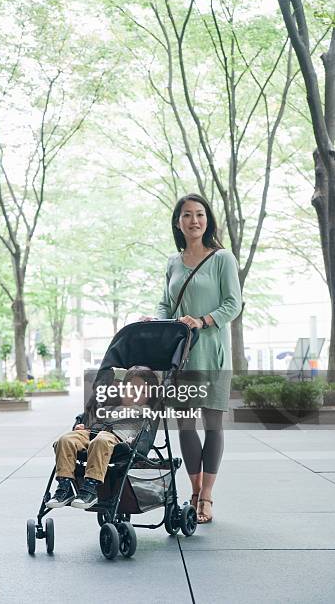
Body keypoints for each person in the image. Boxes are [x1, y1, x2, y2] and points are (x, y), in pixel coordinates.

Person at [155, 193, 242, 523]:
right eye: (187, 215)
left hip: (212, 354)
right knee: (186, 425)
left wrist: (202, 320)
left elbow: (234, 304)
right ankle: (193, 491)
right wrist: (157, 321)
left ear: (208, 220)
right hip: (182, 358)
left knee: (213, 425)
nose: (194, 220)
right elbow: (166, 304)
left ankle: (207, 496)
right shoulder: (173, 263)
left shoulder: (223, 259)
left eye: (200, 215)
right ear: (178, 222)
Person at [46, 366, 158, 511]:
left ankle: (91, 487)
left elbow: (140, 433)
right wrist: (83, 427)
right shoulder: (109, 406)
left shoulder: (144, 411)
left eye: (142, 392)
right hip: (92, 433)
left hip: (115, 440)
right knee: (66, 440)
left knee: (102, 439)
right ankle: (64, 485)